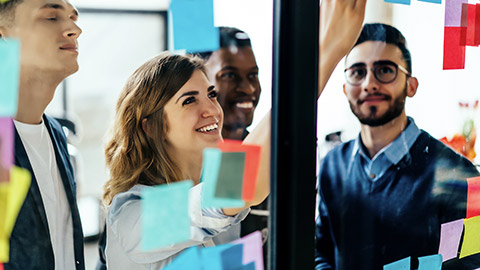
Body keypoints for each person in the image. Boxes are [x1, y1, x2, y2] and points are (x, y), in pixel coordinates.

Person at [101, 0, 367, 267]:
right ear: (150, 126)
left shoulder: (220, 213)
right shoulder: (133, 216)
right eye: (189, 100)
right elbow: (238, 185)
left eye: (211, 94)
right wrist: (325, 53)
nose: (212, 110)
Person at [315, 23, 480, 270]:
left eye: (385, 70)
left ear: (411, 86)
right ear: (345, 89)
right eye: (358, 73)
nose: (369, 83)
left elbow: (471, 265)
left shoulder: (464, 179)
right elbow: (321, 252)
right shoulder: (332, 164)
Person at [0, 0, 85, 269]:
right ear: (4, 34)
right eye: (51, 17)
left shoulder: (58, 135)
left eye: (73, 17)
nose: (74, 29)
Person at [200, 26, 269, 262]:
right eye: (229, 75)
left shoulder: (274, 159)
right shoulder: (171, 167)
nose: (248, 89)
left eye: (253, 76)